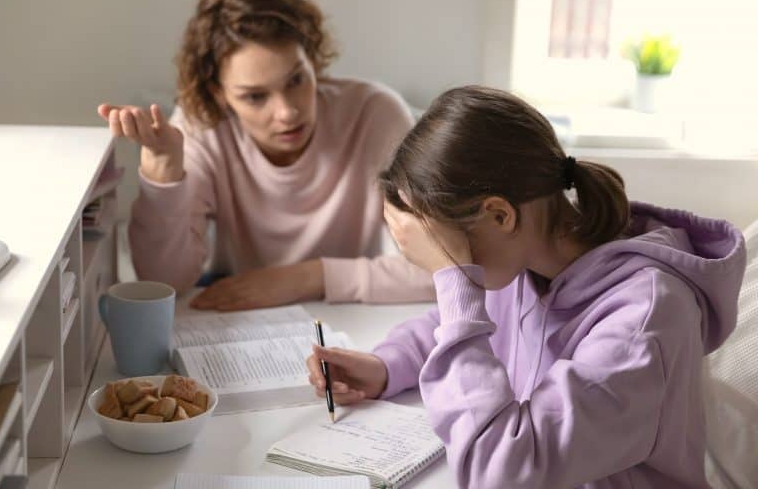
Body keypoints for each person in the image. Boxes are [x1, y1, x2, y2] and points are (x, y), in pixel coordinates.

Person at [306, 86, 746, 488]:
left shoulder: (643, 323)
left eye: (448, 253)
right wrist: (385, 365)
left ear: (500, 216)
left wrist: (456, 278)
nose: (449, 270)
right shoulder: (525, 260)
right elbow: (458, 325)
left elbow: (497, 474)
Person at [97, 0, 433, 311]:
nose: (288, 112)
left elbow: (448, 267)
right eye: (255, 96)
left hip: (358, 315)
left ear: (313, 62)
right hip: (250, 322)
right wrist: (164, 171)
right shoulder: (202, 128)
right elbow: (164, 284)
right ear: (218, 93)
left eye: (296, 80)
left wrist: (309, 277)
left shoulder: (375, 113)